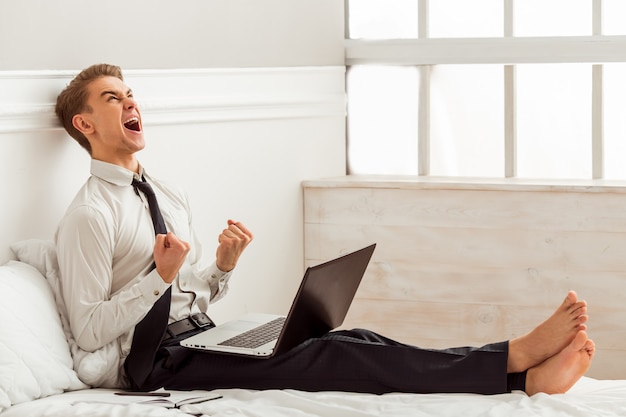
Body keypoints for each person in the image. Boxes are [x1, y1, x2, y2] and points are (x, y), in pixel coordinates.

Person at [54, 63, 595, 396]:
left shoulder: (166, 193)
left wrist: (220, 267)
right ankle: (512, 359)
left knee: (349, 340)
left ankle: (519, 380)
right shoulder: (89, 216)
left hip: (200, 336)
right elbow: (87, 332)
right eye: (112, 98)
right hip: (156, 367)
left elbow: (185, 296)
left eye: (130, 94)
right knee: (338, 355)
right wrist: (158, 278)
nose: (130, 103)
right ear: (85, 125)